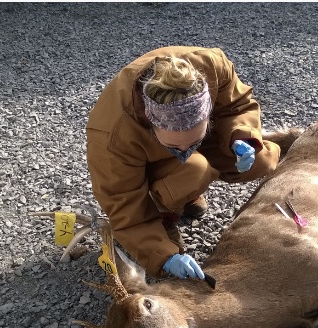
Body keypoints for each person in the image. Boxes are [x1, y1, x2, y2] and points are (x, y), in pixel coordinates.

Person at [86, 46, 280, 281]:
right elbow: (122, 202)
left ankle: (182, 185)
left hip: (198, 139)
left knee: (260, 159)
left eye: (192, 142)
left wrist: (240, 136)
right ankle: (162, 208)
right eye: (174, 146)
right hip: (146, 166)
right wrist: (161, 254)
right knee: (194, 170)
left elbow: (237, 106)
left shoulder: (213, 67)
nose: (184, 151)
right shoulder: (113, 136)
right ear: (151, 123)